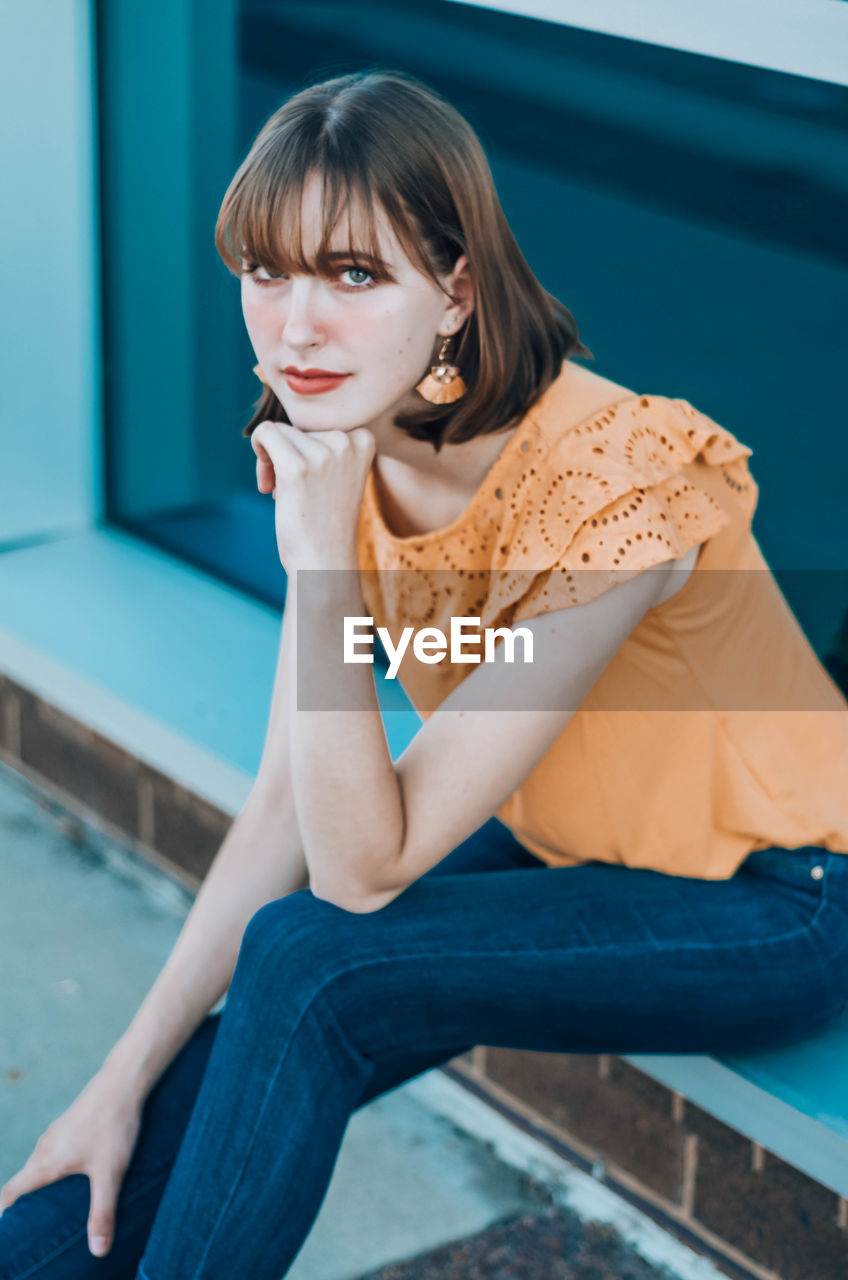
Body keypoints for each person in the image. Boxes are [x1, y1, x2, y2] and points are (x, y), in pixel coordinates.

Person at [2, 68, 848, 1280]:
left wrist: (317, 560)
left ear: (453, 290)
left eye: (353, 276)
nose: (295, 327)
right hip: (570, 837)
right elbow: (292, 799)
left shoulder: (614, 483)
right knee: (194, 1063)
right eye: (267, 272)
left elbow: (357, 873)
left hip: (782, 894)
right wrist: (116, 1079)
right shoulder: (339, 447)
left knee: (314, 959)